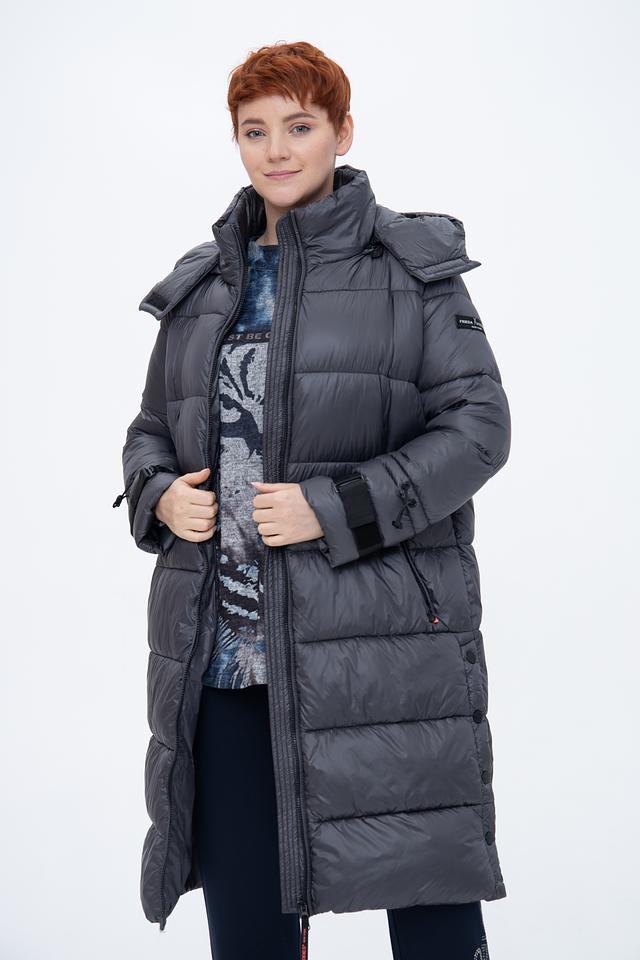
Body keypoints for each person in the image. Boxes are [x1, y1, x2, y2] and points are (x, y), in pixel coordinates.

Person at [115, 40, 509, 960]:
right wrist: (160, 495)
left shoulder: (411, 269)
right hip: (226, 663)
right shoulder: (203, 283)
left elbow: (479, 429)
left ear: (342, 132)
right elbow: (149, 428)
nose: (277, 150)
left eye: (299, 126)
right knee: (249, 932)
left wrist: (336, 509)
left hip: (381, 656)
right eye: (255, 131)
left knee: (432, 919)